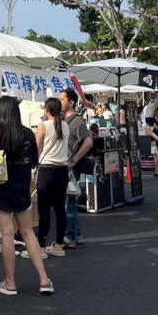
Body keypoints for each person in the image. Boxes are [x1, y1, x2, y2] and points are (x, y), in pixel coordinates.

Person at [0, 95, 53, 296]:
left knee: (7, 234)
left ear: (0, 112)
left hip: (0, 187)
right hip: (21, 187)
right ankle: (44, 279)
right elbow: (33, 161)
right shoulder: (28, 133)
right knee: (28, 232)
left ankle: (10, 283)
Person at [35, 97, 71, 258]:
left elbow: (37, 148)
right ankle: (58, 245)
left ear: (46, 109)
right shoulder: (65, 125)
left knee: (44, 210)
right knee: (59, 209)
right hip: (62, 171)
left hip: (46, 171)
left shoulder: (43, 126)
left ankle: (41, 247)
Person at [61, 88, 93, 248]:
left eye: (62, 99)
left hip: (70, 167)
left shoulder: (77, 121)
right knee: (71, 201)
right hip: (66, 166)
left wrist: (73, 160)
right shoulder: (64, 119)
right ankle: (77, 234)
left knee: (69, 203)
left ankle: (70, 237)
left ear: (71, 102)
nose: (60, 102)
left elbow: (88, 142)